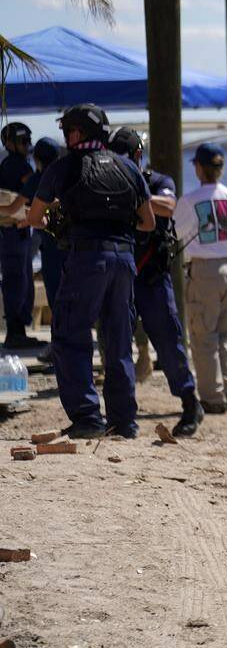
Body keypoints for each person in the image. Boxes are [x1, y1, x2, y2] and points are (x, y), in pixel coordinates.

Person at [23, 104, 155, 438]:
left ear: (77, 133)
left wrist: (59, 221)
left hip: (86, 258)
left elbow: (34, 218)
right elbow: (148, 222)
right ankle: (124, 422)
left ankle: (88, 418)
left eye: (68, 131)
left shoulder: (62, 168)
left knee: (71, 337)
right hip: (124, 260)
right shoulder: (128, 168)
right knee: (118, 339)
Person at [108, 127, 203, 436]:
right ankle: (121, 416)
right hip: (118, 276)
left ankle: (190, 403)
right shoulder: (104, 184)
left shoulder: (156, 182)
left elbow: (169, 206)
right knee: (116, 345)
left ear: (138, 156)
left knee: (167, 340)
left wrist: (135, 193)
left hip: (151, 276)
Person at [173, 143, 227, 414]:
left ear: (199, 168)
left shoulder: (190, 200)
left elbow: (177, 232)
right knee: (223, 335)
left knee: (203, 336)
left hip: (205, 270)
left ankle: (212, 398)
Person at [0, 122, 42, 350]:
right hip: (13, 233)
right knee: (17, 280)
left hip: (18, 231)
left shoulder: (16, 163)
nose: (27, 146)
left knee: (21, 280)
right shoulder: (14, 165)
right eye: (22, 141)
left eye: (28, 141)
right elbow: (33, 186)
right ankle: (15, 333)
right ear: (9, 143)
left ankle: (18, 331)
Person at [28, 137, 64, 363]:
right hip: (73, 250)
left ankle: (58, 347)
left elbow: (28, 212)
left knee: (56, 299)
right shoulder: (66, 175)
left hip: (51, 251)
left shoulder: (38, 180)